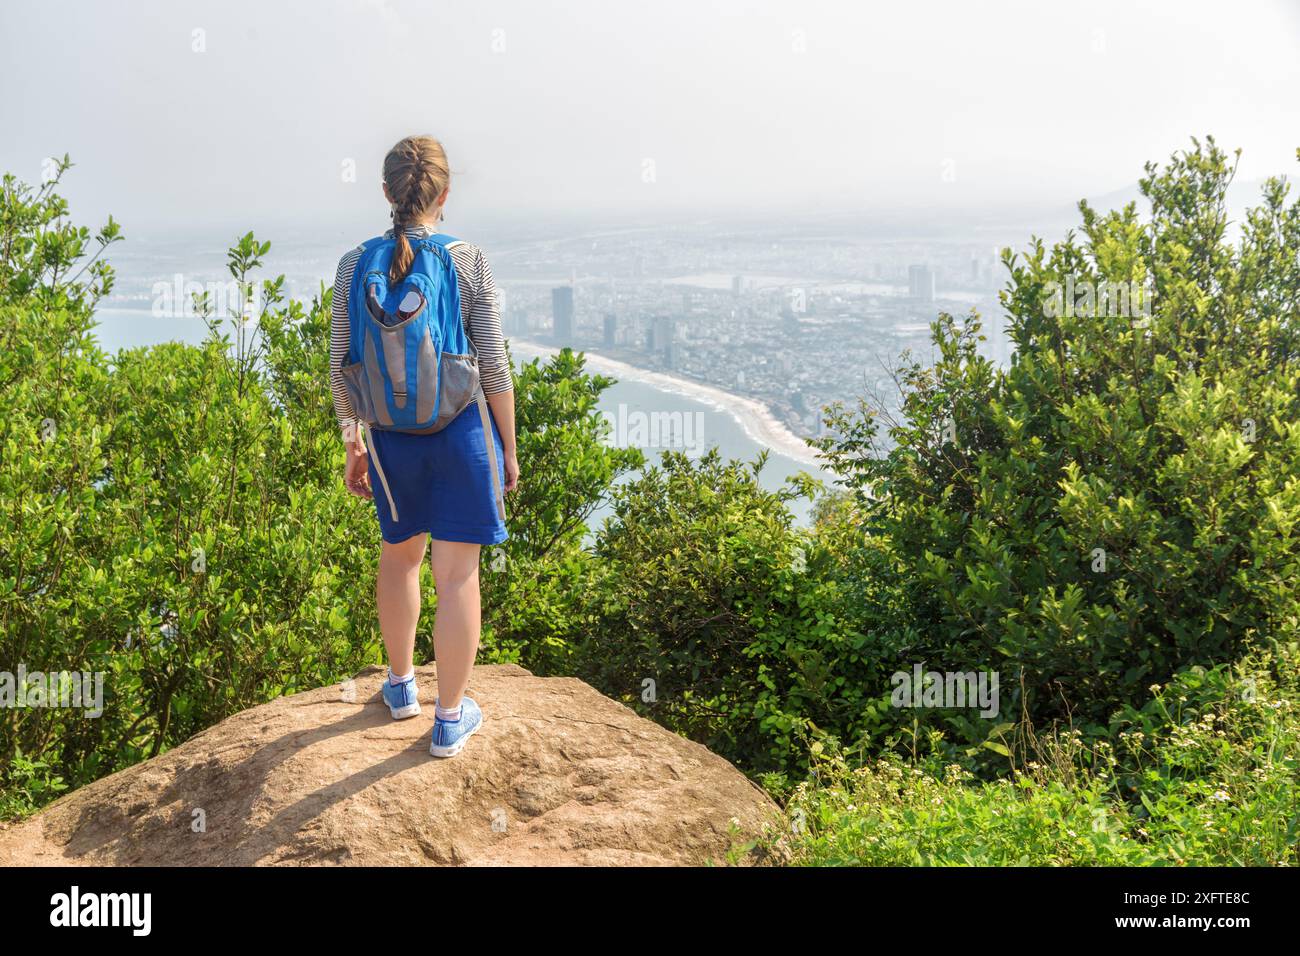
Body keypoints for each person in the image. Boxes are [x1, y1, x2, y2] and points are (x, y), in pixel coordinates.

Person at [329, 135, 518, 757]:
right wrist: (507, 449)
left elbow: (343, 366)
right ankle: (448, 719)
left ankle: (401, 687)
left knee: (399, 556)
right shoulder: (466, 259)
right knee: (458, 573)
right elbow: (492, 361)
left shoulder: (354, 264)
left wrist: (355, 445)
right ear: (445, 193)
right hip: (462, 429)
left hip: (388, 437)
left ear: (387, 193)